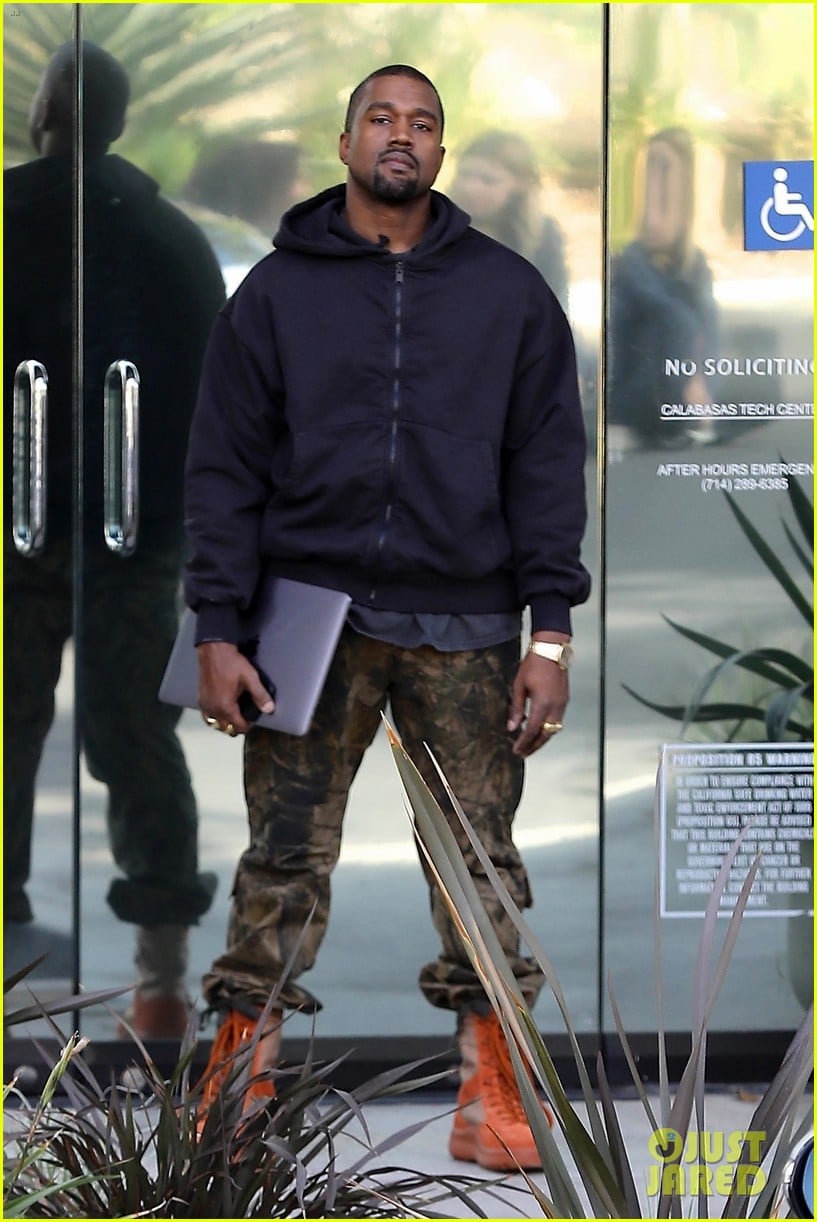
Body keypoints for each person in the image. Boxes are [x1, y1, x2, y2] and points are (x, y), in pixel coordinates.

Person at [184, 65, 590, 1170]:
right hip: (307, 622)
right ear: (346, 141)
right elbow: (223, 468)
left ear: (440, 153)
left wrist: (549, 633)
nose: (400, 136)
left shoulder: (507, 293)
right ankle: (239, 1087)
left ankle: (491, 1087)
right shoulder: (275, 292)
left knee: (479, 865)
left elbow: (547, 468)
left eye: (421, 123)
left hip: (466, 624)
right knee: (282, 858)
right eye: (380, 118)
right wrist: (217, 626)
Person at [3, 42, 226, 1036]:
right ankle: (161, 982)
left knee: (9, 740)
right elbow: (222, 411)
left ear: (42, 114)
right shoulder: (172, 240)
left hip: (26, 538)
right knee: (136, 741)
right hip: (134, 540)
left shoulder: (6, 221)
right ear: (122, 124)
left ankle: (19, 970)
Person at [608, 127, 719, 448]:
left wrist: (702, 383)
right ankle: (661, 415)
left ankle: (687, 411)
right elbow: (675, 318)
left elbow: (708, 331)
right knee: (676, 318)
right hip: (630, 393)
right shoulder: (631, 263)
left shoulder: (693, 263)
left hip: (669, 394)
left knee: (694, 318)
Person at [450, 128, 569, 310]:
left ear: (521, 184)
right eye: (465, 174)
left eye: (488, 180)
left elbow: (553, 309)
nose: (470, 188)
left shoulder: (544, 238)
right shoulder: (432, 228)